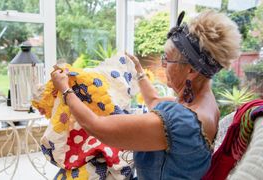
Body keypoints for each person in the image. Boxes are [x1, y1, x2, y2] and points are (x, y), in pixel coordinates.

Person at [50, 10, 241, 179]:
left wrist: (66, 90)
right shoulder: (205, 104)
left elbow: (97, 126)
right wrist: (140, 73)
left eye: (168, 59)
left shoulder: (183, 121)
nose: (163, 64)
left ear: (191, 70)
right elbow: (155, 101)